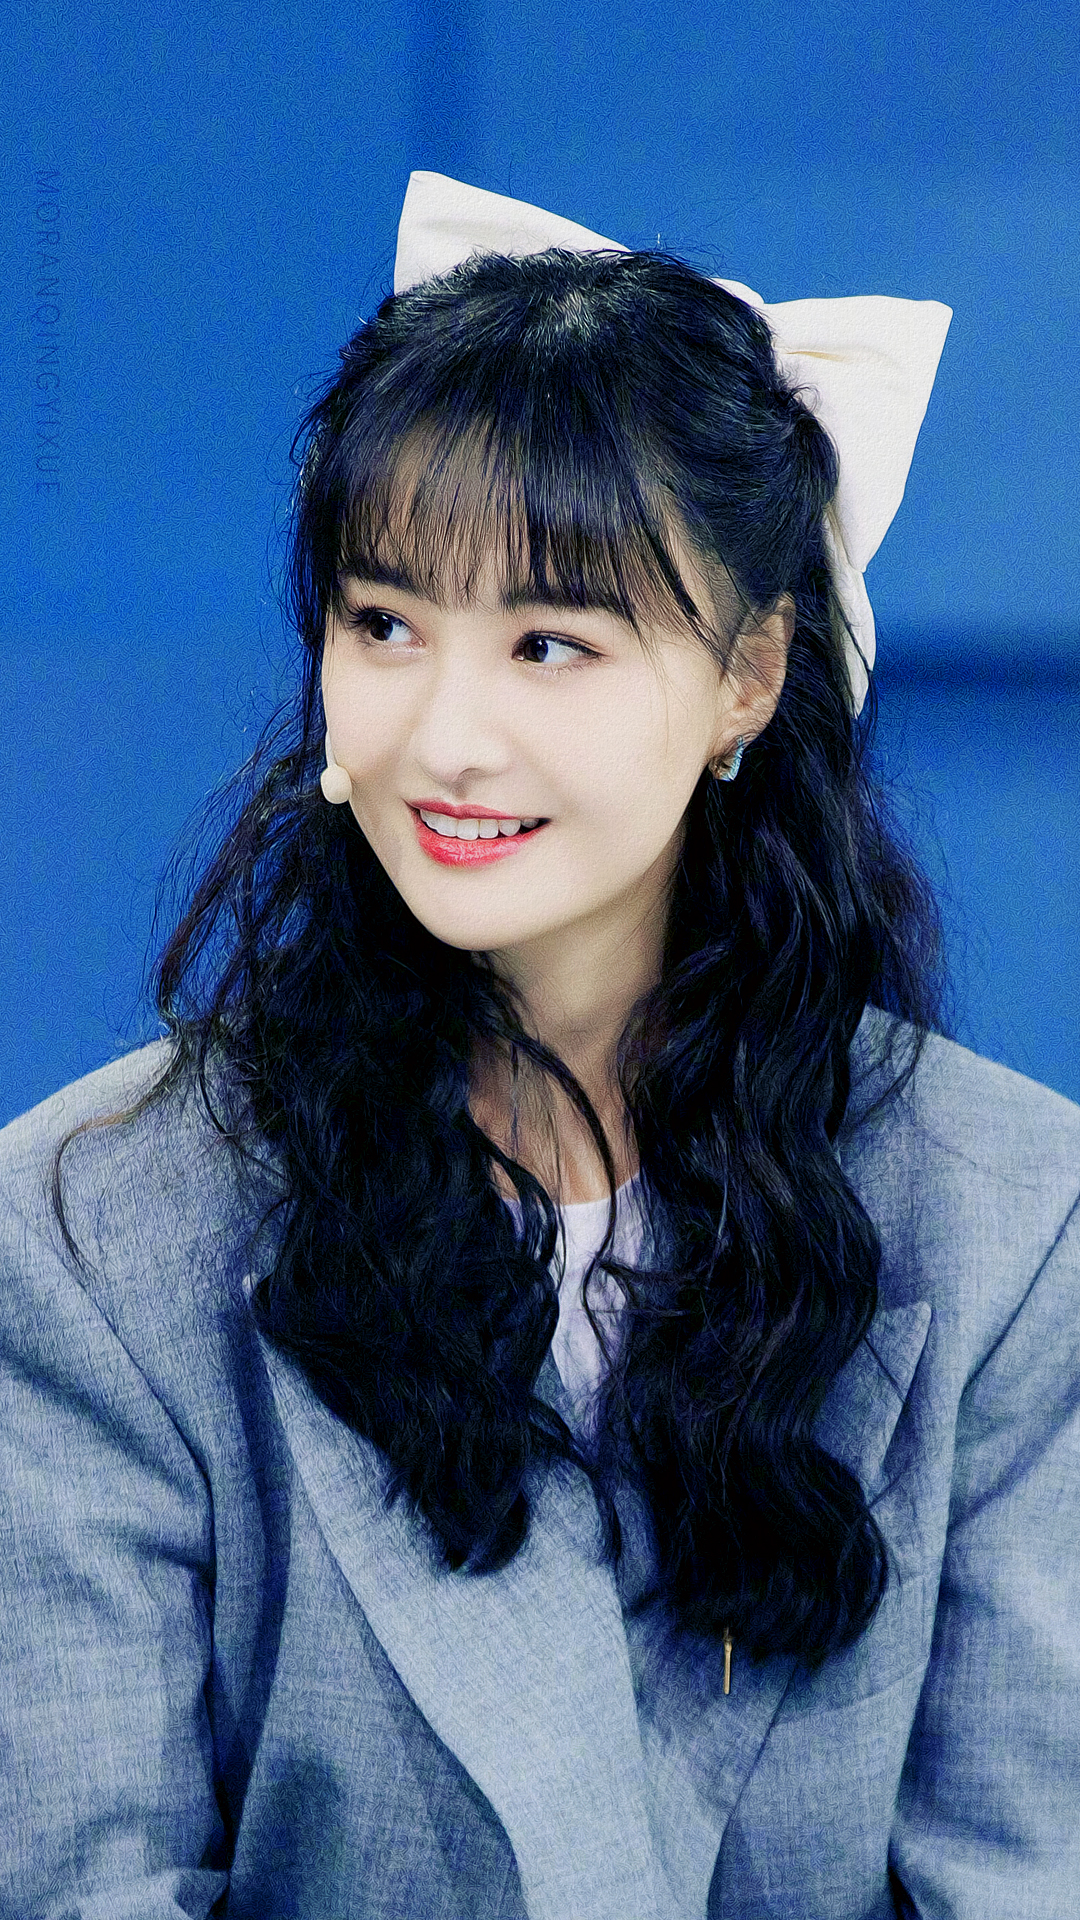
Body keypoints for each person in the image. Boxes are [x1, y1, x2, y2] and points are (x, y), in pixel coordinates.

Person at [1, 172, 1078, 1920]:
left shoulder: (1019, 1222)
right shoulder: (89, 1232)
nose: (448, 736)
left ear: (749, 677)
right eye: (384, 624)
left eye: (550, 642)